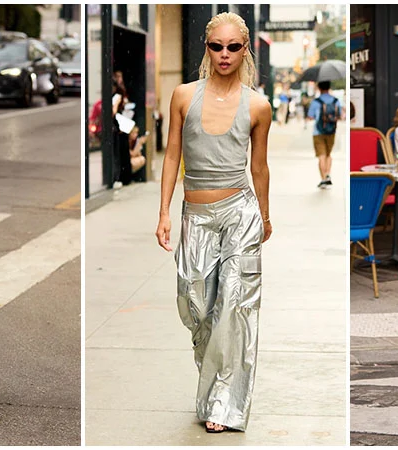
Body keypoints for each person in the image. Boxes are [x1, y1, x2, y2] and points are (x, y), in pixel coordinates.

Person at [154, 11, 272, 434]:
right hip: (196, 216)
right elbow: (171, 155)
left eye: (233, 47)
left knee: (234, 310)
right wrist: (165, 211)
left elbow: (259, 166)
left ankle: (223, 403)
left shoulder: (258, 104)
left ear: (245, 50)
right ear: (206, 48)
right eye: (216, 46)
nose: (225, 54)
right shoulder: (184, 95)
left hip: (240, 214)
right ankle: (211, 385)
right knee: (198, 307)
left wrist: (265, 213)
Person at [307, 80, 342, 188]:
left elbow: (310, 116)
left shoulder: (316, 102)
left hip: (318, 132)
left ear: (319, 88)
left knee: (321, 155)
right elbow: (339, 115)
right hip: (332, 131)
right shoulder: (336, 101)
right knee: (328, 154)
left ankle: (323, 179)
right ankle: (328, 174)